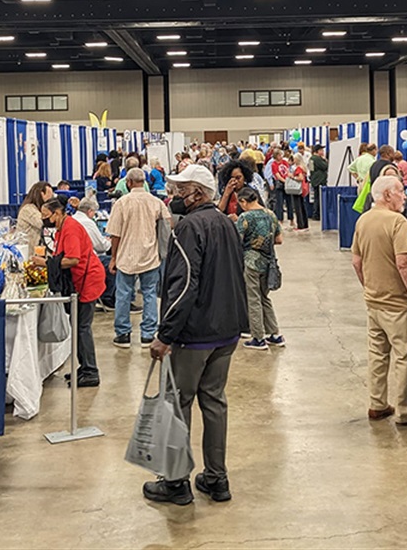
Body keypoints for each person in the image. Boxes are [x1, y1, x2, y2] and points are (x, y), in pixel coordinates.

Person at [144, 164, 248, 506]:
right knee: (214, 402)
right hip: (226, 331)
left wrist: (165, 334)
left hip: (195, 334)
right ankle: (217, 478)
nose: (176, 197)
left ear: (198, 194)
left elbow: (183, 284)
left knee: (177, 404)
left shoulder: (189, 228)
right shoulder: (226, 223)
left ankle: (175, 482)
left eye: (181, 191)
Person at [351, 175, 407, 427]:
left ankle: (377, 404)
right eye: (400, 191)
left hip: (374, 301)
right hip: (397, 304)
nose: (404, 196)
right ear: (387, 195)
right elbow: (403, 263)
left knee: (378, 354)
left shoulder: (363, 220)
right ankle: (406, 411)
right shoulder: (397, 222)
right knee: (405, 356)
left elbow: (356, 261)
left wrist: (369, 287)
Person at [33, 197, 105, 387]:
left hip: (87, 280)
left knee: (82, 327)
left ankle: (91, 372)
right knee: (78, 326)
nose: (43, 219)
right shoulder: (61, 229)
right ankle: (84, 367)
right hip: (79, 281)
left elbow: (73, 259)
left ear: (57, 213)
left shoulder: (70, 229)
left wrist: (46, 263)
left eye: (45, 215)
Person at [107, 168, 172, 349]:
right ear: (144, 182)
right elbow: (168, 225)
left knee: (123, 295)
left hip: (126, 256)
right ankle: (148, 335)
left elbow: (115, 234)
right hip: (150, 255)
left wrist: (113, 257)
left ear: (128, 182)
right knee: (149, 293)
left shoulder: (121, 203)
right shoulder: (156, 202)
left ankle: (123, 334)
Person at [235, 187, 285, 350]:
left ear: (243, 201)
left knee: (253, 299)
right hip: (268, 263)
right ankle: (274, 334)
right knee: (264, 297)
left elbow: (237, 241)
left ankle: (258, 337)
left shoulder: (245, 217)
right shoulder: (271, 214)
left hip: (251, 262)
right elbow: (279, 239)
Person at [17, 181, 54, 254]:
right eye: (49, 195)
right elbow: (44, 223)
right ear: (42, 194)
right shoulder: (28, 210)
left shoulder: (36, 209)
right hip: (30, 254)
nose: (51, 199)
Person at [288, 154, 310, 231]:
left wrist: (292, 177)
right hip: (303, 188)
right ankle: (305, 224)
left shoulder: (298, 168)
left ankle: (300, 225)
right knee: (302, 206)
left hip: (297, 189)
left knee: (298, 207)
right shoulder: (304, 168)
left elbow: (300, 178)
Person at [309, 145, 328, 220]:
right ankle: (317, 214)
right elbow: (325, 166)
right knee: (318, 199)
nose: (323, 152)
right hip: (319, 181)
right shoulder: (317, 159)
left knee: (316, 198)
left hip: (315, 180)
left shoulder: (311, 158)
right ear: (317, 151)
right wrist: (324, 160)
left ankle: (315, 213)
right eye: (321, 150)